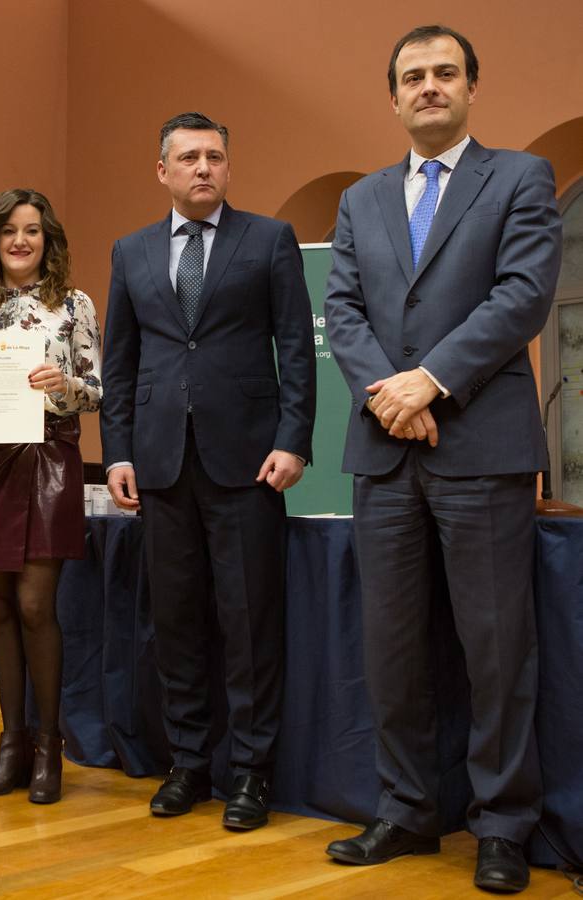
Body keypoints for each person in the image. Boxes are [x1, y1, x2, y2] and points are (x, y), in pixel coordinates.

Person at [323, 25, 562, 893]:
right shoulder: (361, 199)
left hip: (483, 449)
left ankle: (501, 824)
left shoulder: (523, 179)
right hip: (385, 454)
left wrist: (430, 382)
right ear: (393, 96)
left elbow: (523, 296)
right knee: (391, 648)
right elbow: (341, 310)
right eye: (413, 77)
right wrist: (393, 393)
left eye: (444, 74)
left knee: (496, 650)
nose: (429, 87)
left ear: (471, 88)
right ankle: (406, 810)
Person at [100, 112, 316, 829]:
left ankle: (251, 772)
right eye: (188, 157)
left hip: (249, 463)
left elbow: (296, 347)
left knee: (250, 623)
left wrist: (295, 439)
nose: (203, 168)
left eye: (215, 156)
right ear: (161, 171)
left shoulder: (269, 240)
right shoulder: (130, 251)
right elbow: (121, 364)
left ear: (228, 167)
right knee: (177, 621)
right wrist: (120, 450)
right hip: (161, 466)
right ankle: (188, 764)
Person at [0, 188, 101, 804]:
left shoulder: (74, 303)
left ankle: (48, 747)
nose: (21, 241)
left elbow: (98, 388)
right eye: (9, 231)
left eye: (32, 231)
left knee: (36, 605)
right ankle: (11, 744)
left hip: (47, 461)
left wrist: (67, 384)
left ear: (48, 239)